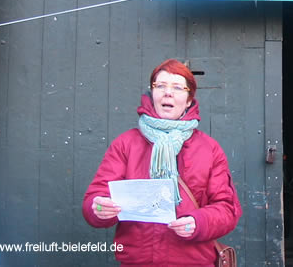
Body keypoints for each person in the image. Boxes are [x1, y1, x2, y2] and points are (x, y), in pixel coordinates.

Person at [83, 59, 242, 266]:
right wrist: (98, 208)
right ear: (152, 94)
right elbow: (94, 199)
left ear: (188, 100)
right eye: (160, 86)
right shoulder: (126, 144)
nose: (168, 93)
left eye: (177, 87)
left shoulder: (209, 149)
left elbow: (227, 209)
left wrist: (199, 222)